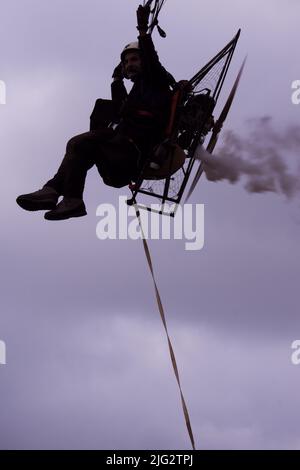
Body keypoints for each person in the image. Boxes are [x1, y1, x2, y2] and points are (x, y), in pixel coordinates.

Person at [16, 4, 174, 221]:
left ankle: (67, 198)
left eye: (134, 59)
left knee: (78, 144)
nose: (129, 65)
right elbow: (121, 110)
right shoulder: (139, 90)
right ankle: (56, 192)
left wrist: (143, 30)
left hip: (130, 151)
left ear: (145, 60)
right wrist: (117, 81)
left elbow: (153, 61)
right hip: (119, 152)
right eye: (126, 62)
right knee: (79, 147)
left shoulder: (156, 80)